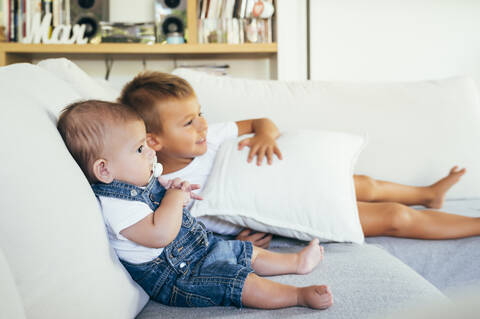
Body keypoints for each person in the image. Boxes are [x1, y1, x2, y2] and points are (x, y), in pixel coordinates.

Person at [119, 71, 480, 243]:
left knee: (365, 184)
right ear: (154, 140)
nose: (202, 124)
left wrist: (265, 135)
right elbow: (180, 235)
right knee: (395, 217)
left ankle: (427, 195)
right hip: (287, 207)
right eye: (188, 121)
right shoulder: (161, 185)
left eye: (201, 112)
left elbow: (262, 121)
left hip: (294, 178)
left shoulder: (209, 135)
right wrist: (233, 247)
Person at [56, 100, 333, 310]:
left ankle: (296, 262)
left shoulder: (136, 179)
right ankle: (296, 296)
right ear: (104, 171)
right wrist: (175, 200)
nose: (151, 152)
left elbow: (158, 202)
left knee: (244, 251)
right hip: (179, 276)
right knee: (235, 282)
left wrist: (170, 188)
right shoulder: (116, 205)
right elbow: (159, 234)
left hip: (199, 248)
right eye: (140, 149)